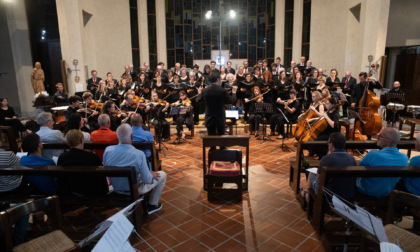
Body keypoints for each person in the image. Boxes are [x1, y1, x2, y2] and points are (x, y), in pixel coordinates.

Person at [103, 124, 167, 214]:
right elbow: (147, 180)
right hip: (134, 189)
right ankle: (152, 204)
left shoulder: (108, 150)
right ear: (132, 136)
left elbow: (107, 171)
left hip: (116, 188)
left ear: (117, 136)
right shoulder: (139, 154)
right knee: (163, 175)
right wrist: (149, 173)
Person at [300, 133, 357, 204]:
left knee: (311, 174)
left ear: (332, 144)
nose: (327, 144)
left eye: (328, 142)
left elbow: (319, 177)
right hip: (347, 194)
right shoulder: (352, 159)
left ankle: (308, 196)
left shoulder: (326, 158)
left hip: (329, 195)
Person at [356, 127, 408, 198]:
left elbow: (359, 168)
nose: (377, 137)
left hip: (366, 190)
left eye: (381, 136)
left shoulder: (373, 154)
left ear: (388, 142)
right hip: (387, 192)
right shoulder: (404, 158)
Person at [58, 129, 109, 196]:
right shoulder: (92, 157)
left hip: (70, 192)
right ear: (82, 140)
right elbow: (101, 179)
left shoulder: (62, 157)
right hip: (91, 192)